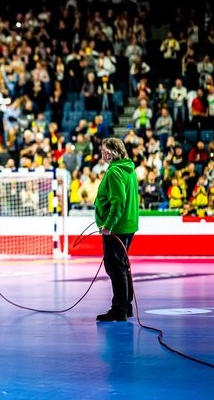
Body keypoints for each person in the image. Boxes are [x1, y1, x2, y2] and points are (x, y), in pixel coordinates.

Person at [94, 137, 139, 322]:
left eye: (104, 151)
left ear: (111, 153)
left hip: (116, 228)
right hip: (128, 225)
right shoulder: (129, 169)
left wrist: (108, 225)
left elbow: (118, 201)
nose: (102, 154)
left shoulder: (114, 172)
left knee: (115, 267)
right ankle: (125, 306)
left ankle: (119, 308)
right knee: (122, 266)